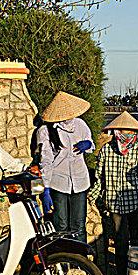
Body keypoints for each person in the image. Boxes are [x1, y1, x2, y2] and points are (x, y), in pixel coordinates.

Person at [88, 111, 138, 275]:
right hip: (114, 204)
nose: (127, 136)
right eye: (123, 132)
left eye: (130, 132)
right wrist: (91, 198)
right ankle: (122, 274)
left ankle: (137, 273)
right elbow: (100, 178)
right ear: (116, 133)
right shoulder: (106, 150)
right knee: (120, 240)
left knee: (137, 238)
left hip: (136, 203)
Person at [37, 91, 95, 242]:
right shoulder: (45, 131)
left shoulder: (80, 125)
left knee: (79, 226)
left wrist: (88, 145)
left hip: (80, 181)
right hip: (58, 182)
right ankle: (62, 261)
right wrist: (46, 188)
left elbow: (91, 143)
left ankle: (80, 261)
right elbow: (46, 161)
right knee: (61, 224)